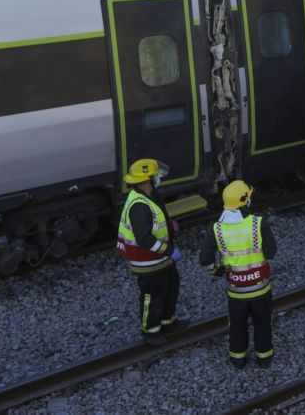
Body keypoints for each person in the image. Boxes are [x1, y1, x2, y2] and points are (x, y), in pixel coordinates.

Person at [199, 180, 276, 369]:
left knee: (237, 326)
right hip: (260, 289)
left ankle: (237, 359)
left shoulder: (216, 229)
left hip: (236, 292)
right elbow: (271, 253)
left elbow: (205, 259)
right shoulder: (259, 223)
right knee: (263, 323)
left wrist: (216, 271)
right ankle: (264, 358)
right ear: (245, 201)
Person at [116, 158, 184, 346]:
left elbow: (155, 220)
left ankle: (168, 322)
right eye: (155, 177)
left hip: (160, 259)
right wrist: (168, 250)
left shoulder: (149, 196)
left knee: (171, 288)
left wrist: (170, 226)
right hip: (147, 261)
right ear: (147, 180)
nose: (158, 179)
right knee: (153, 296)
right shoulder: (139, 205)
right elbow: (144, 238)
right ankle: (150, 331)